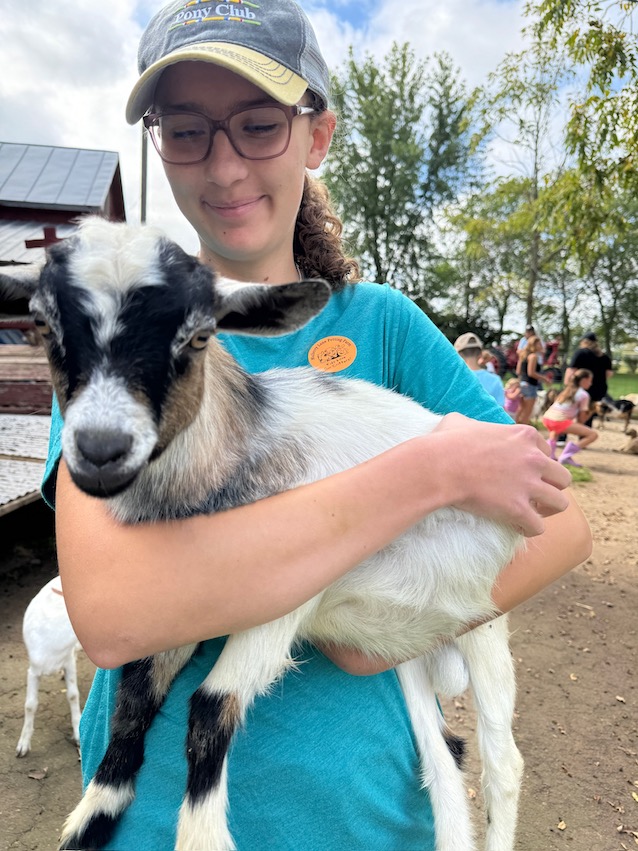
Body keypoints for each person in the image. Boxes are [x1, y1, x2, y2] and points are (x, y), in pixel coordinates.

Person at [43, 2, 591, 848]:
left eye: (259, 125)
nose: (224, 167)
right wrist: (426, 474)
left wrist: (387, 629)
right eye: (187, 130)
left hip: (364, 820)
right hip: (159, 825)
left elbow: (559, 524)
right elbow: (115, 613)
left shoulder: (387, 328)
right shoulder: (107, 338)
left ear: (316, 136)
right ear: (160, 143)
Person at [541, 369, 598, 465]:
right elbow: (581, 419)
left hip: (547, 418)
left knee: (555, 431)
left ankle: (550, 454)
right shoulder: (584, 395)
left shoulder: (567, 390)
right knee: (592, 435)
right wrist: (592, 411)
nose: (591, 384)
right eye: (590, 380)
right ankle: (566, 455)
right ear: (584, 380)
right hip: (558, 421)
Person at [564, 332, 613, 427]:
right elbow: (609, 374)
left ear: (584, 342)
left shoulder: (581, 353)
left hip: (580, 388)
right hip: (598, 390)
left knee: (568, 411)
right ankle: (584, 436)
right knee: (587, 415)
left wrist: (567, 385)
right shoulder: (604, 357)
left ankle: (562, 437)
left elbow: (571, 370)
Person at [454, 332, 505, 406]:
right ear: (480, 354)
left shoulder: (453, 379)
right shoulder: (495, 380)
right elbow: (500, 410)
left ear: (458, 355)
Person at [516, 335, 552, 425]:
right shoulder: (533, 356)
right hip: (530, 385)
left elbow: (518, 371)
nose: (541, 346)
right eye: (539, 344)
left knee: (520, 411)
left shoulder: (523, 355)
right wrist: (544, 379)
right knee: (527, 414)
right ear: (534, 345)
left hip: (523, 384)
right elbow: (531, 373)